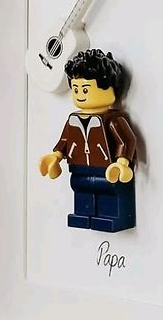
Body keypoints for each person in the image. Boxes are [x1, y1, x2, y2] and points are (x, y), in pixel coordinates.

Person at [39, 49, 138, 232]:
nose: (80, 94)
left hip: (107, 169)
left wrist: (122, 163)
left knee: (109, 191)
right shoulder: (73, 119)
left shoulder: (113, 120)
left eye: (85, 89)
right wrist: (56, 156)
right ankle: (83, 215)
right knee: (81, 190)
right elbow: (65, 140)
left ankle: (110, 217)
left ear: (109, 88)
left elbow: (126, 141)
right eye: (75, 89)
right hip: (78, 168)